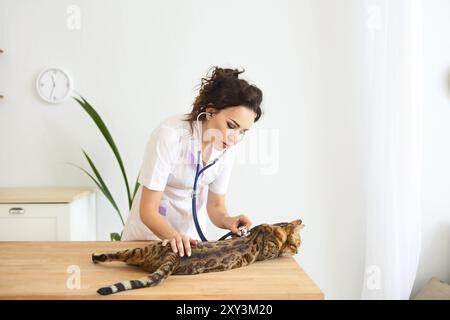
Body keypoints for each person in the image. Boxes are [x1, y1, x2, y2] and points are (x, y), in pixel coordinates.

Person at [121, 66, 263, 258]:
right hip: (147, 239)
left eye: (242, 132)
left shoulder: (225, 150)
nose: (235, 138)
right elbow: (147, 210)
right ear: (211, 111)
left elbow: (216, 207)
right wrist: (173, 236)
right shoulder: (170, 135)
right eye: (231, 126)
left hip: (189, 244)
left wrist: (229, 221)